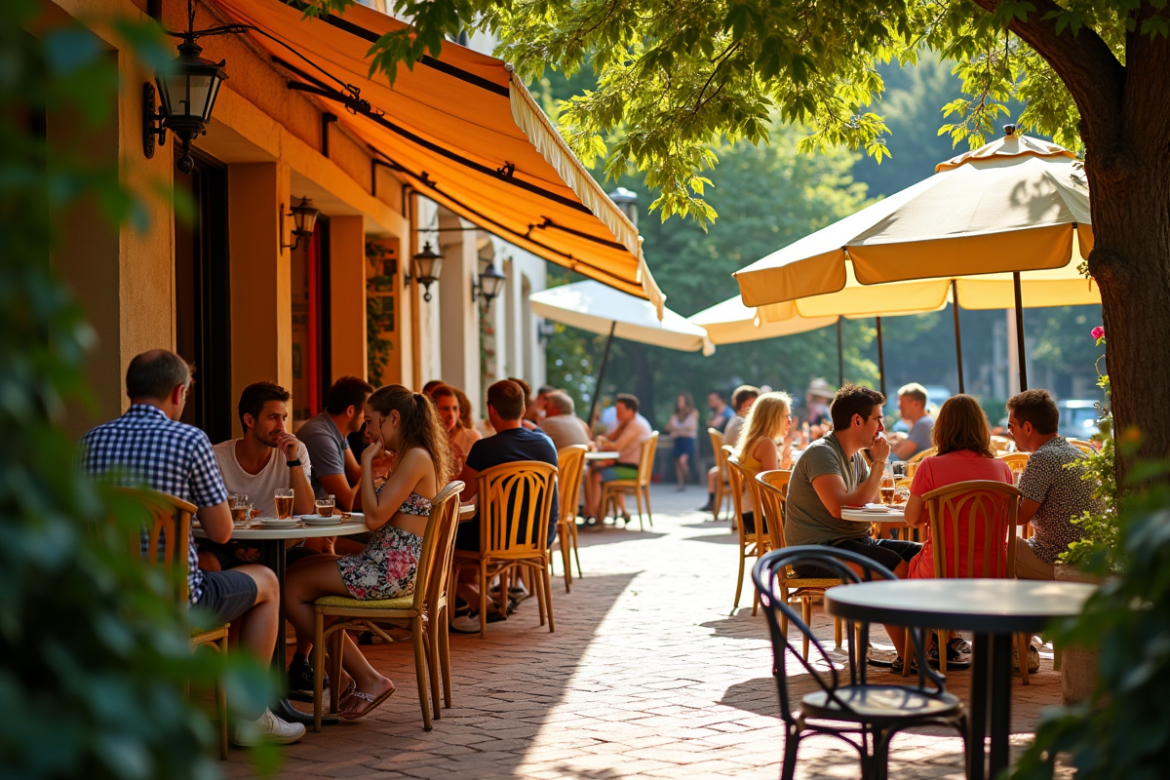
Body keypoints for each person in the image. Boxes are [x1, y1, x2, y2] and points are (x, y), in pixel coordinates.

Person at [79, 350, 303, 745]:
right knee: (267, 581)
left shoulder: (90, 441)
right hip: (177, 600)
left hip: (109, 598)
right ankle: (251, 717)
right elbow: (221, 531)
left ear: (132, 390)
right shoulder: (189, 440)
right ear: (178, 393)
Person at [283, 384, 450, 719]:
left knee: (289, 587)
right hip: (391, 564)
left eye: (371, 421)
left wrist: (367, 461)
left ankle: (366, 678)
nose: (366, 430)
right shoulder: (411, 456)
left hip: (389, 572)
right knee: (300, 568)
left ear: (393, 419)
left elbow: (373, 518)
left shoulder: (415, 457)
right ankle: (346, 674)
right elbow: (368, 509)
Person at [784, 384, 920, 657]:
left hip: (853, 541)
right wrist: (878, 463)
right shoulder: (822, 453)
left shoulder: (855, 457)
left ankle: (941, 642)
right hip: (817, 551)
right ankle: (911, 656)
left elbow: (872, 502)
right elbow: (839, 507)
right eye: (877, 419)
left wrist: (874, 467)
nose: (882, 427)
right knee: (893, 567)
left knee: (925, 556)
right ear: (857, 420)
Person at [902, 395, 1013, 670]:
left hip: (941, 572)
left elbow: (912, 518)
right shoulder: (1002, 469)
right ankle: (949, 641)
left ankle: (924, 650)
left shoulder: (930, 466)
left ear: (942, 428)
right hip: (993, 571)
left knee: (906, 567)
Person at [451, 380, 559, 630]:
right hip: (541, 536)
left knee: (444, 537)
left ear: (491, 410)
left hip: (493, 539)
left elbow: (461, 494)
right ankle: (476, 598)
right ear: (523, 410)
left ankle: (471, 597)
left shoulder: (484, 448)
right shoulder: (546, 444)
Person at [202, 382, 315, 571]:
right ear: (249, 420)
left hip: (279, 546)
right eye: (273, 418)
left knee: (327, 566)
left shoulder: (295, 450)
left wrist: (293, 461)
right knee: (204, 563)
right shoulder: (215, 457)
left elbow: (305, 511)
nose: (281, 427)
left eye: (284, 418)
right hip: (228, 546)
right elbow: (202, 517)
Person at [1008, 389, 1101, 580]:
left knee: (999, 548)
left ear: (1027, 428)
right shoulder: (1078, 453)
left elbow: (1019, 517)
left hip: (1059, 562)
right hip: (1093, 561)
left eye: (1011, 426)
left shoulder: (1042, 459)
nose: (1009, 432)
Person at [296, 376, 373, 512]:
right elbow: (349, 503)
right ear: (350, 411)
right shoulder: (321, 438)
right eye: (365, 411)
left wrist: (384, 460)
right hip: (311, 520)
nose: (367, 417)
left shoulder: (335, 429)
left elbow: (356, 474)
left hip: (326, 516)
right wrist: (375, 475)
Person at [731, 392, 794, 533]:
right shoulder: (766, 444)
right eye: (786, 416)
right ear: (773, 418)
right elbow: (775, 490)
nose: (790, 421)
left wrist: (784, 461)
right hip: (761, 519)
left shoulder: (755, 440)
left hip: (749, 515)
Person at [584, 393, 653, 524]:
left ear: (630, 410)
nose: (617, 414)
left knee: (595, 474)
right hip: (629, 466)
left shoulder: (634, 425)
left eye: (620, 410)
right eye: (616, 410)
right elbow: (611, 439)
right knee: (597, 468)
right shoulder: (631, 422)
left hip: (631, 469)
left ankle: (594, 514)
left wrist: (600, 446)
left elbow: (616, 447)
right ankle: (603, 511)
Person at [701, 385, 760, 512]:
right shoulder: (742, 424)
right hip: (734, 470)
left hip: (728, 466)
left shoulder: (734, 419)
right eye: (756, 404)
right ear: (745, 405)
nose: (759, 409)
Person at [431, 384, 482, 474]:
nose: (451, 415)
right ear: (432, 410)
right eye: (445, 409)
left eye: (455, 408)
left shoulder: (471, 437)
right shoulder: (425, 438)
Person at [889, 383, 935, 461]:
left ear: (916, 404)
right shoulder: (927, 421)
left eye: (902, 406)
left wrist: (890, 445)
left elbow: (902, 454)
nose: (900, 409)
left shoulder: (922, 425)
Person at [666, 392, 699, 491]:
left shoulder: (693, 413)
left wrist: (677, 431)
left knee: (683, 460)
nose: (679, 403)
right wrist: (680, 431)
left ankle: (689, 476)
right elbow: (668, 427)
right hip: (677, 441)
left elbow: (692, 428)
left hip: (688, 440)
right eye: (678, 401)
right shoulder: (675, 414)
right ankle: (680, 483)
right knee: (677, 462)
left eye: (681, 400)